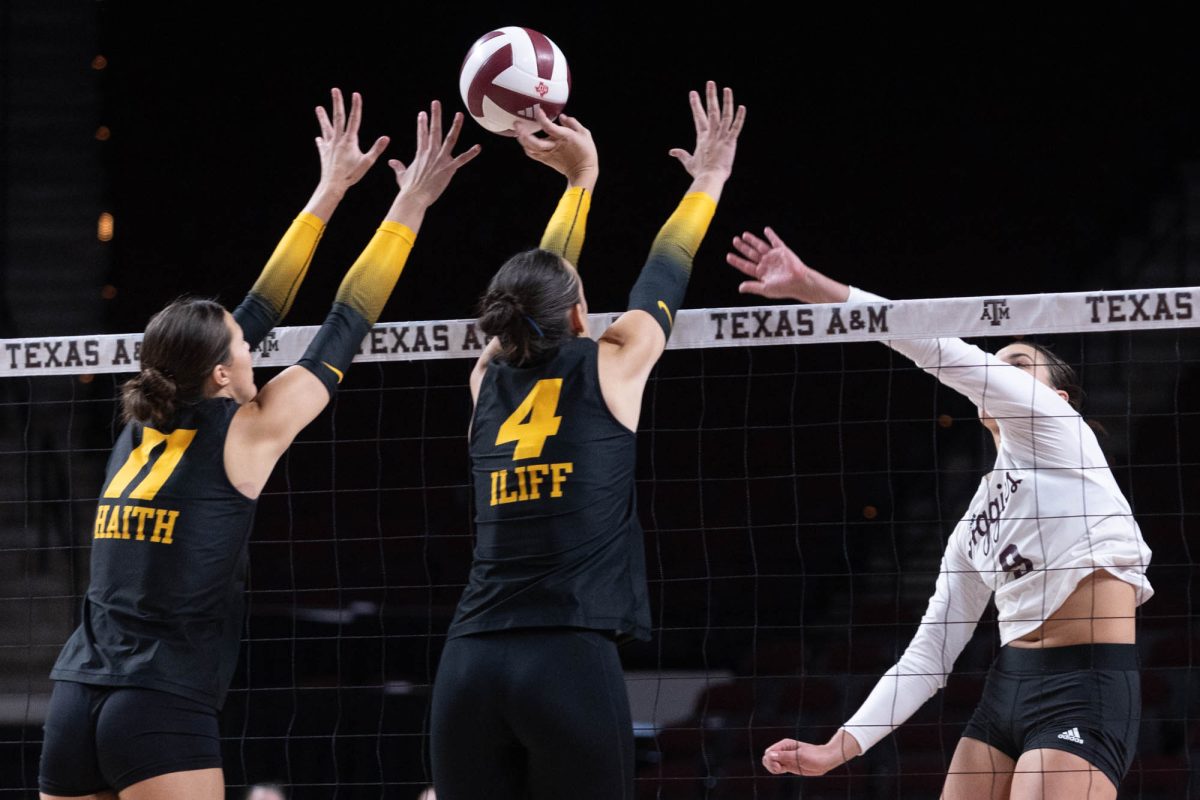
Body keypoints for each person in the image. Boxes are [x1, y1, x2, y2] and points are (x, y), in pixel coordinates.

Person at [37, 89, 480, 800]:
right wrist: (412, 205)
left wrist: (330, 188)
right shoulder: (250, 429)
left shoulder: (140, 415)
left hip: (73, 700)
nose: (256, 348)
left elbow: (261, 306)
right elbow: (347, 318)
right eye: (245, 348)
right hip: (159, 707)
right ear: (219, 372)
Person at [728, 229, 1153, 798]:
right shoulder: (973, 524)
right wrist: (839, 746)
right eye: (1000, 367)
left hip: (1085, 686)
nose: (1005, 374)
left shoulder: (1061, 435)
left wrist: (819, 290)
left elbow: (940, 349)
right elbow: (928, 658)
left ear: (1058, 399)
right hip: (1006, 692)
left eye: (1021, 366)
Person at [429, 82, 746, 800]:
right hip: (567, 658)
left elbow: (538, 295)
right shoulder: (613, 359)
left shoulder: (485, 378)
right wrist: (708, 179)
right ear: (579, 311)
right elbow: (665, 269)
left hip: (469, 661)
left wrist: (579, 185)